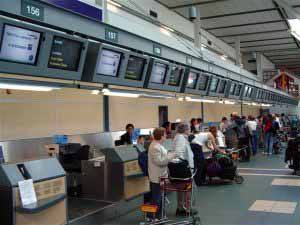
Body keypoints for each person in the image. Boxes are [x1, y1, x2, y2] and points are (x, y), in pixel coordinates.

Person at [148, 127, 177, 217]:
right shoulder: (155, 147)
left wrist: (170, 153)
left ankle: (159, 216)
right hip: (156, 177)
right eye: (165, 135)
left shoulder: (158, 145)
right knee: (156, 198)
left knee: (160, 197)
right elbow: (160, 161)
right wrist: (172, 155)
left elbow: (163, 154)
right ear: (161, 136)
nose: (166, 136)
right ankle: (152, 217)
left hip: (161, 175)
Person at [172, 123, 195, 216]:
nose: (190, 130)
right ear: (185, 130)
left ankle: (181, 208)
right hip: (184, 168)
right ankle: (187, 209)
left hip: (183, 167)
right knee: (188, 189)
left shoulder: (180, 137)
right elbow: (179, 153)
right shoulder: (181, 138)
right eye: (189, 129)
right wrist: (185, 165)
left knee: (181, 189)